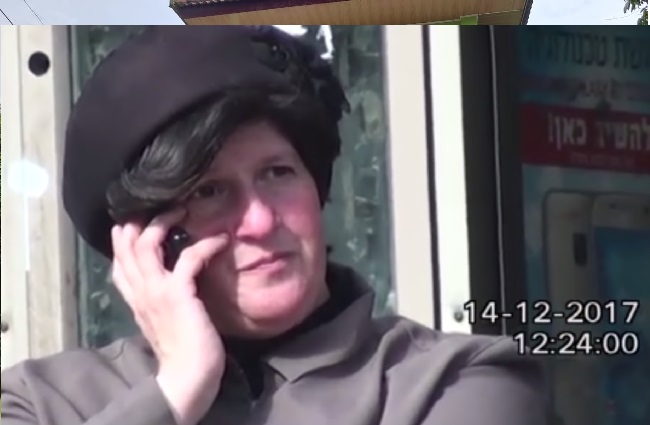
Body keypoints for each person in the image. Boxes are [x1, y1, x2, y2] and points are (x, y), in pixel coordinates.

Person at [1, 26, 548, 425]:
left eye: (278, 173)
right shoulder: (40, 401)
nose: (261, 221)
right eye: (210, 191)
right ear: (148, 238)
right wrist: (175, 392)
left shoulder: (453, 382)